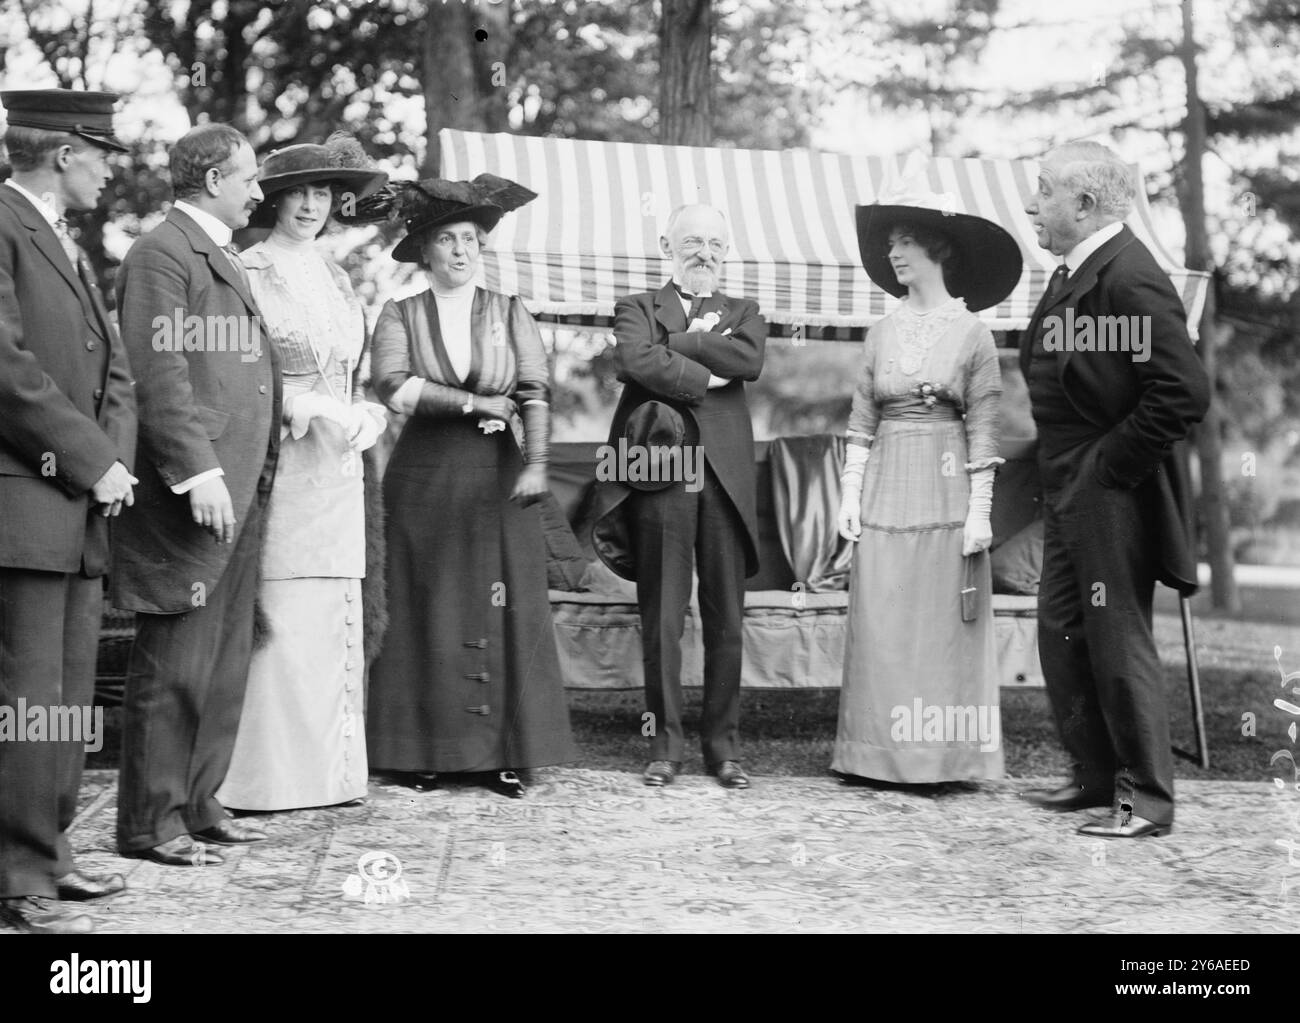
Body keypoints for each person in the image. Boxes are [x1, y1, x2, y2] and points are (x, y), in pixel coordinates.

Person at [1018, 141, 1209, 838]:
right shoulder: (1078, 270)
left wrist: (1107, 468)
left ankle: (1145, 800)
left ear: (1085, 203)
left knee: (1116, 638)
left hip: (1108, 491)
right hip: (1066, 486)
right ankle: (1095, 779)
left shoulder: (1128, 275)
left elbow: (1183, 392)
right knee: (1063, 634)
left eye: (1042, 191)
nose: (1031, 204)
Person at [367, 174, 574, 798]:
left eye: (472, 240)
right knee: (427, 605)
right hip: (424, 477)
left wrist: (536, 462)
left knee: (503, 605)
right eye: (448, 239)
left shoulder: (510, 311)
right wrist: (470, 402)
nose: (461, 251)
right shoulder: (399, 313)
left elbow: (535, 390)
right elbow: (393, 386)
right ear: (425, 250)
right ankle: (426, 752)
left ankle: (503, 755)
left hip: (498, 476)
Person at [112, 124, 281, 865]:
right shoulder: (162, 251)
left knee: (223, 654)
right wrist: (198, 471)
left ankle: (200, 798)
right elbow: (158, 371)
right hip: (202, 487)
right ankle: (151, 820)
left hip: (241, 481)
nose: (259, 190)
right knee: (177, 653)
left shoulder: (218, 254)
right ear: (212, 179)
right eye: (248, 177)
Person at [214, 137, 388, 812]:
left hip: (341, 465)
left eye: (323, 194)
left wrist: (361, 409)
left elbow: (348, 366)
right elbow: (236, 374)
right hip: (279, 459)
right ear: (275, 199)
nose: (312, 205)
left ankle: (330, 775)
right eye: (299, 193)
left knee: (333, 613)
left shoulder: (337, 276)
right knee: (280, 612)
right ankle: (264, 778)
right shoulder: (249, 269)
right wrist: (300, 401)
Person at [832, 177, 1022, 785]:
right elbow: (861, 420)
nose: (894, 252)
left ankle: (942, 759)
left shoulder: (973, 334)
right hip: (887, 487)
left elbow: (985, 429)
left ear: (939, 249)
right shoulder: (881, 333)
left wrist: (980, 512)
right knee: (883, 618)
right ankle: (873, 755)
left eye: (906, 240)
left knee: (940, 625)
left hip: (948, 495)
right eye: (890, 242)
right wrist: (848, 494)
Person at [0, 90, 136, 933]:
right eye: (102, 154)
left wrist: (110, 463)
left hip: (78, 502)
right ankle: (18, 873)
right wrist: (95, 461)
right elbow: (7, 370)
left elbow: (113, 368)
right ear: (62, 153)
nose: (111, 168)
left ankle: (47, 853)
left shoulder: (64, 240)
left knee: (66, 694)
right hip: (27, 501)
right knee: (27, 693)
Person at [590, 204, 767, 789]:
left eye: (716, 243)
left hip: (724, 478)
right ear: (667, 245)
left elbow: (749, 360)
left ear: (728, 250)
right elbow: (633, 359)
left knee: (726, 620)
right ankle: (663, 745)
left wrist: (680, 344)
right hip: (659, 472)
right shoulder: (637, 307)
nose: (705, 252)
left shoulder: (746, 311)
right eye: (693, 240)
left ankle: (724, 750)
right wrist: (705, 366)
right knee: (662, 614)